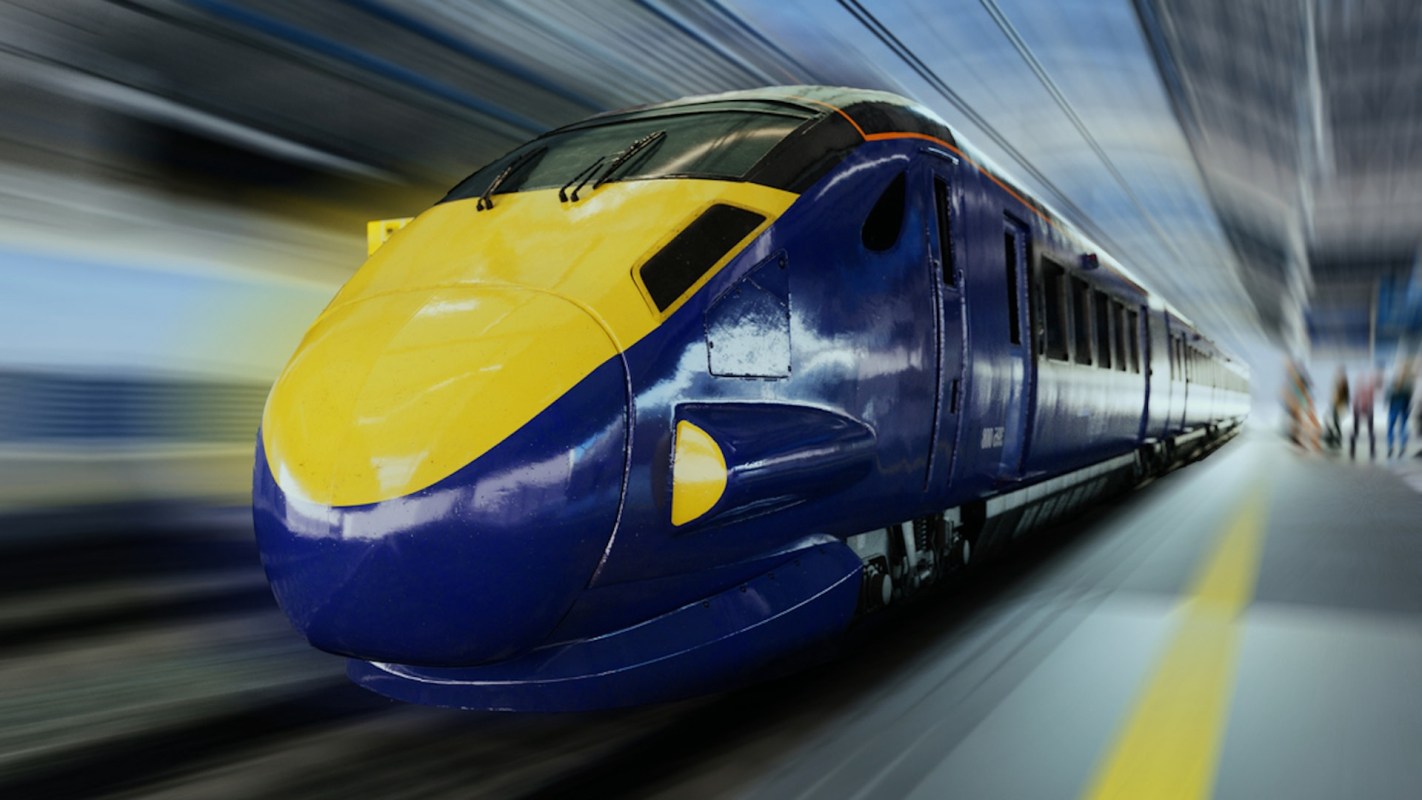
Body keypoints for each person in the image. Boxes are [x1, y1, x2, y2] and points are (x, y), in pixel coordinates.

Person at [1386, 361, 1415, 457]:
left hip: (1401, 406)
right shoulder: (1396, 381)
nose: (1400, 371)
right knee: (1396, 426)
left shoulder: (1406, 382)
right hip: (1398, 406)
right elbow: (1388, 394)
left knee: (1400, 427)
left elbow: (1409, 395)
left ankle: (1399, 446)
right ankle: (1393, 446)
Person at [1352, 370, 1377, 460]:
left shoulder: (1358, 388)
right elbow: (1372, 400)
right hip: (1368, 410)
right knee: (1370, 431)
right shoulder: (1370, 388)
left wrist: (1355, 410)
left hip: (1359, 410)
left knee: (1356, 431)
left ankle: (1352, 451)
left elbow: (1355, 401)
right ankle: (1372, 452)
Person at [1326, 367, 1349, 449]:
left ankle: (1336, 439)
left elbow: (1343, 397)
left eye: (1338, 372)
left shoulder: (1343, 383)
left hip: (1339, 406)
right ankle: (1334, 438)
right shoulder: (1339, 382)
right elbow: (1335, 395)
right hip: (1336, 406)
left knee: (1335, 422)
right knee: (1333, 422)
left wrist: (1342, 406)